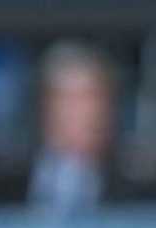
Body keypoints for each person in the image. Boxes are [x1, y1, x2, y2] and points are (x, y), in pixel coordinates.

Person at [27, 40, 119, 214]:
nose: (89, 112)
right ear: (47, 106)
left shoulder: (138, 193)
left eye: (95, 98)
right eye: (73, 99)